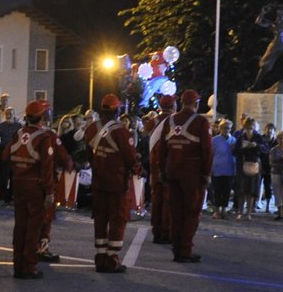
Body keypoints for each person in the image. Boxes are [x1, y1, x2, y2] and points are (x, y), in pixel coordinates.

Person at [86, 94, 139, 273]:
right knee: (117, 219)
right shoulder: (121, 131)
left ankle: (100, 256)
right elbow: (130, 157)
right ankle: (112, 258)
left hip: (98, 180)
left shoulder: (92, 128)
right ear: (117, 110)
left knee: (100, 218)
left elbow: (88, 154)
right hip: (116, 182)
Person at [8, 99, 58, 279]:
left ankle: (17, 265)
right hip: (36, 187)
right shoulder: (44, 137)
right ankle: (28, 266)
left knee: (19, 226)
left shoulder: (18, 134)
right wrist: (50, 192)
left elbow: (6, 156)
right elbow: (47, 167)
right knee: (33, 228)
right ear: (42, 117)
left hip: (19, 184)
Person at [162, 90, 212, 263]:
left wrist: (163, 170)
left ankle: (176, 249)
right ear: (196, 103)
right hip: (192, 174)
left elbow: (162, 147)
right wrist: (206, 173)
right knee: (191, 212)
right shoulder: (200, 122)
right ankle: (185, 250)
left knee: (175, 213)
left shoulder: (170, 120)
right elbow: (207, 151)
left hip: (172, 172)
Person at [146, 93, 176, 243]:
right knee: (167, 200)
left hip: (153, 164)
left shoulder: (152, 121)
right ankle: (165, 231)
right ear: (173, 105)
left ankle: (156, 230)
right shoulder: (174, 121)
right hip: (167, 163)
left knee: (156, 199)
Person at [233, 119, 264, 220]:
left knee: (251, 190)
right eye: (248, 128)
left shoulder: (258, 137)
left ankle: (249, 212)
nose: (249, 130)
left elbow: (265, 149)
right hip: (242, 165)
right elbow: (235, 152)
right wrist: (244, 147)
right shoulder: (240, 137)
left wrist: (256, 145)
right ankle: (240, 211)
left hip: (254, 165)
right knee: (242, 190)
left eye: (251, 128)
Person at [209, 119, 235, 216]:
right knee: (217, 190)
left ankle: (224, 209)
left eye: (228, 128)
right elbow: (211, 154)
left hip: (229, 169)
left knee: (226, 191)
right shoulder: (214, 140)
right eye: (224, 128)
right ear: (220, 128)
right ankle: (217, 210)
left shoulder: (233, 140)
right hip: (217, 169)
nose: (226, 130)